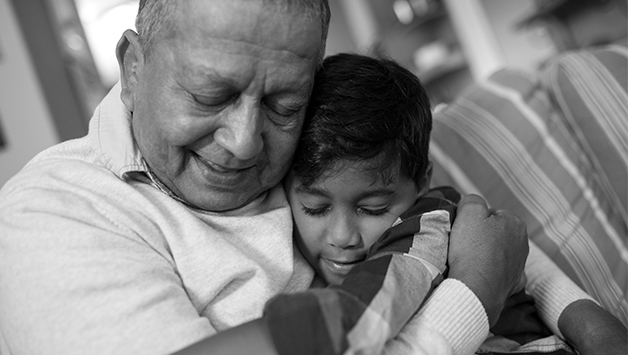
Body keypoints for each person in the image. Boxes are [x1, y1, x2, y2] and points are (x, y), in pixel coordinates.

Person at [0, 1, 530, 354]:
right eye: (210, 95)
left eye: (284, 104)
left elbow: (450, 216)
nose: (244, 142)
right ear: (133, 68)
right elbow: (481, 263)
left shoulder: (312, 155)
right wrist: (473, 296)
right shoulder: (53, 216)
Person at [283, 53, 628, 355]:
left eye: (371, 208)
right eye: (315, 207)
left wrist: (598, 331)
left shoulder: (432, 218)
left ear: (422, 182)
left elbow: (524, 263)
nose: (343, 236)